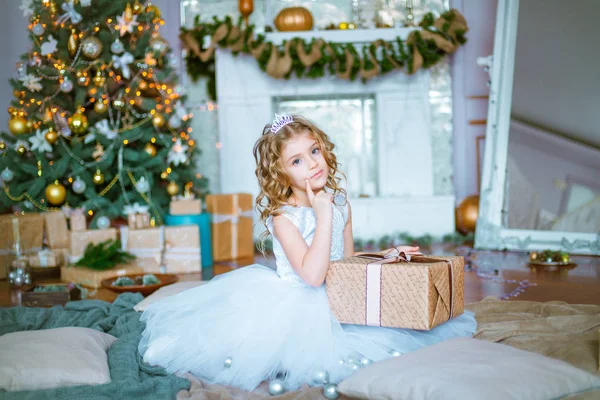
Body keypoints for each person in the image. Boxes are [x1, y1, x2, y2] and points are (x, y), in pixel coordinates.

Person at [139, 114, 477, 392]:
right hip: (294, 303)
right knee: (261, 353)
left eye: (314, 151)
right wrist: (323, 213)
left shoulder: (339, 202)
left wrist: (387, 254)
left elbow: (345, 262)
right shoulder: (284, 217)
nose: (312, 164)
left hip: (339, 295)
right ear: (281, 173)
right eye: (297, 161)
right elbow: (313, 275)